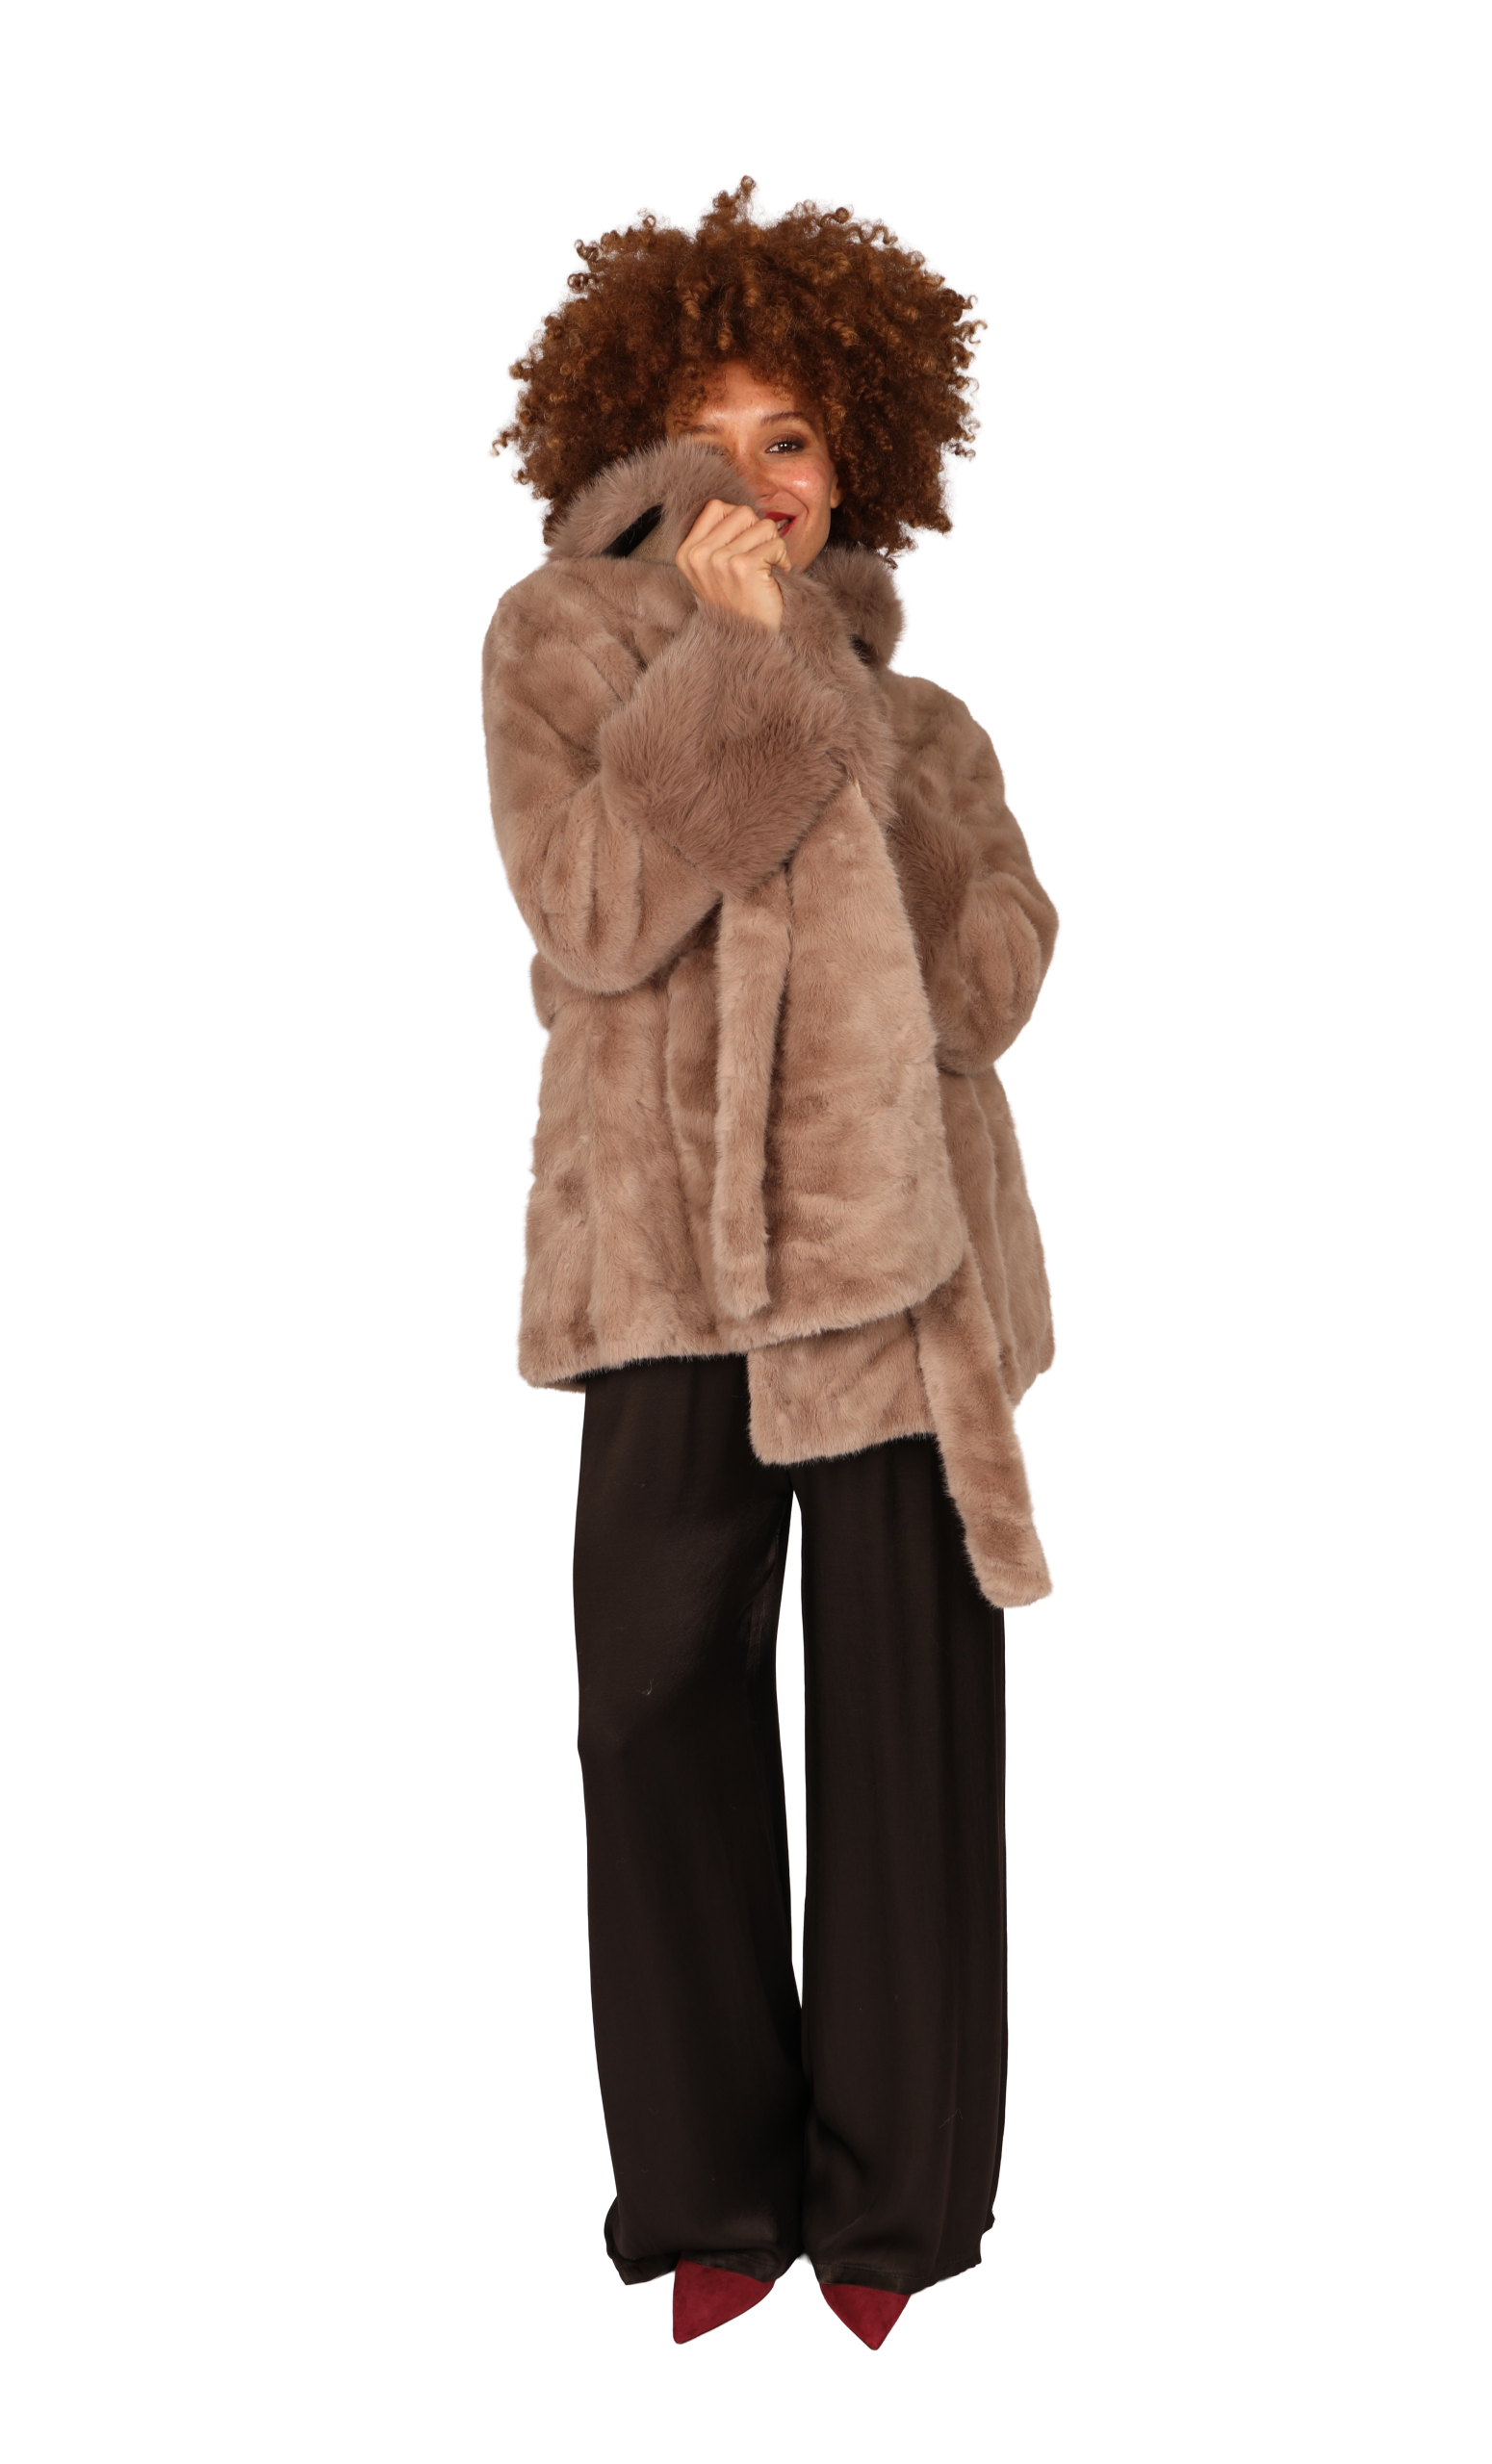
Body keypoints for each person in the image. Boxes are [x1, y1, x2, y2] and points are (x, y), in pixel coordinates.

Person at [483, 179, 1058, 2350]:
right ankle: (711, 2185)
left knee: (909, 1733)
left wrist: (822, 699)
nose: (756, 476)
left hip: (899, 1271)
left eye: (793, 436)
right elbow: (595, 914)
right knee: (653, 1712)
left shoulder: (930, 722)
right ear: (631, 447)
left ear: (853, 463)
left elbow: (996, 976)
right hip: (664, 1269)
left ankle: (899, 2208)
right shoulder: (557, 641)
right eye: (709, 434)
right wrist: (737, 672)